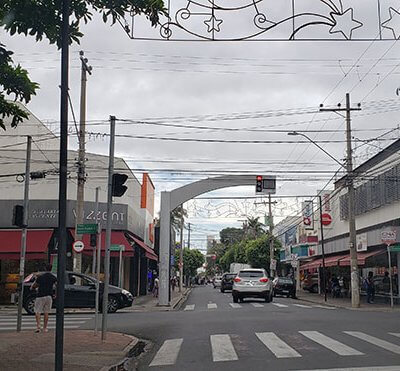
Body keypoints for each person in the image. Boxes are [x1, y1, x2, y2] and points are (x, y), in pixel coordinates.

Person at [31, 264, 57, 333]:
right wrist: (55, 294)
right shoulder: (53, 277)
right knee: (46, 312)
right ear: (51, 269)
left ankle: (38, 326)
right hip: (49, 296)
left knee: (37, 311)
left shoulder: (41, 277)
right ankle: (45, 328)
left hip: (40, 295)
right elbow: (57, 285)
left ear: (45, 268)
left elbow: (35, 285)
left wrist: (33, 287)